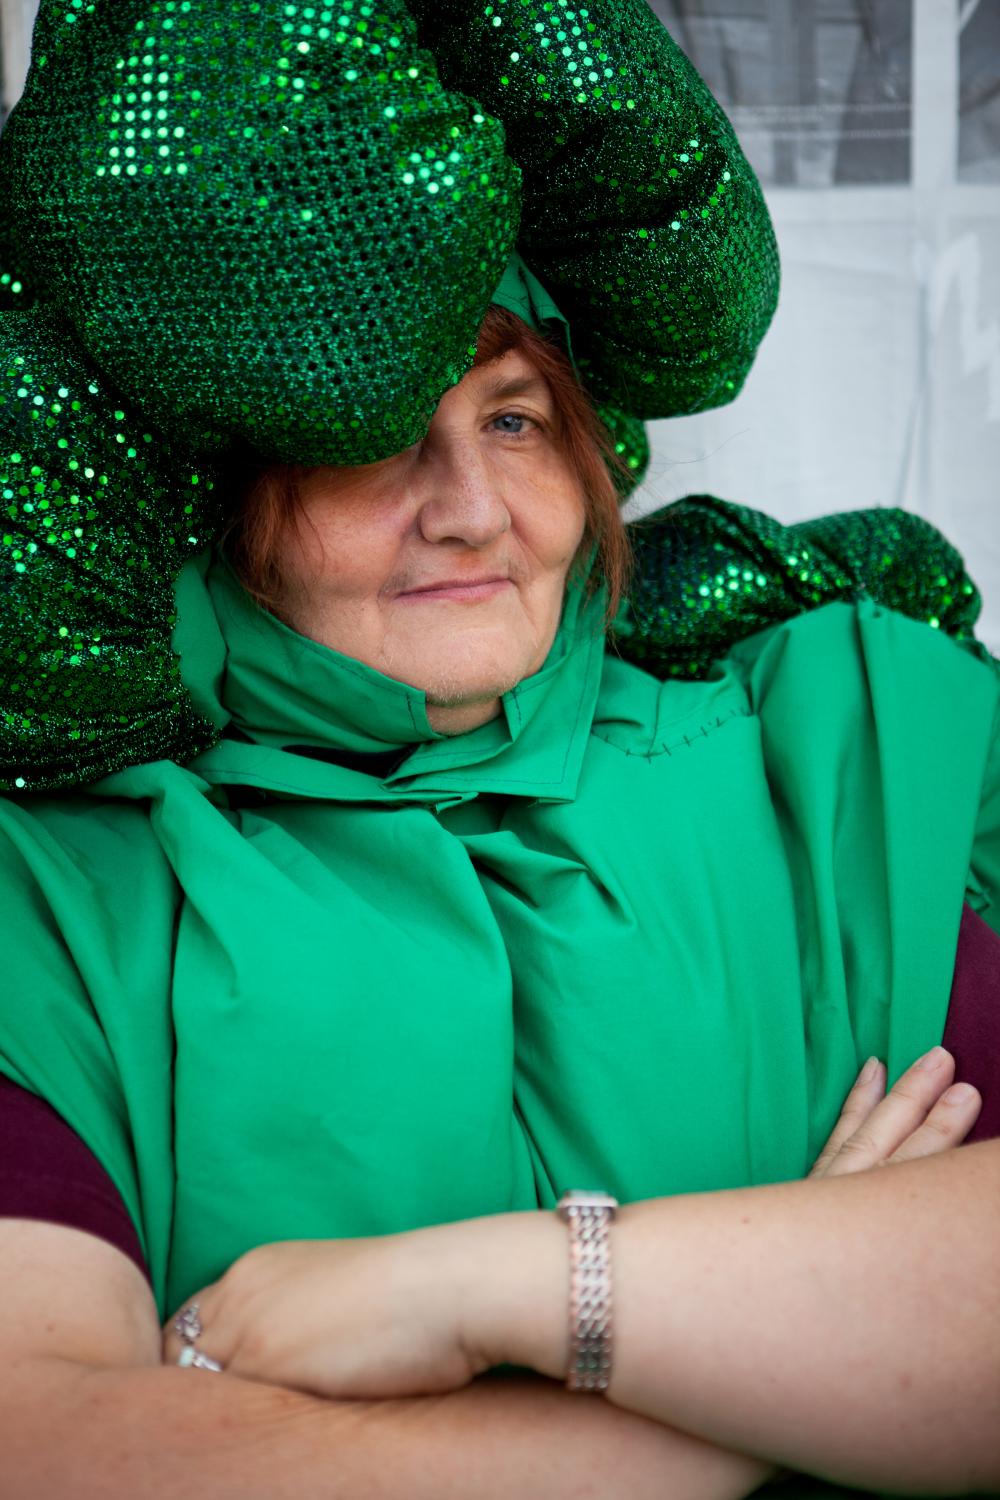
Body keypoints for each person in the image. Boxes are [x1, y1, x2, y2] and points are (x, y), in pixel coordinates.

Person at [1, 3, 997, 1498]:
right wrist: (791, 1341)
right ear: (210, 478)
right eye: (374, 434)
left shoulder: (836, 742)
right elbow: (55, 1448)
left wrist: (501, 1292)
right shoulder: (61, 892)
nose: (472, 506)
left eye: (518, 418)